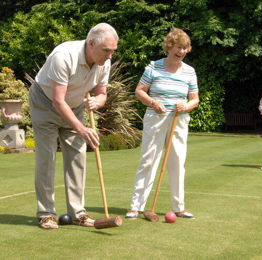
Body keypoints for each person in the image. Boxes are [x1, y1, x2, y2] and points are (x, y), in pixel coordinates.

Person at [29, 23, 119, 229]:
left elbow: (102, 93)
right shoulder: (63, 56)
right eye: (106, 50)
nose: (109, 56)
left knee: (78, 157)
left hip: (75, 105)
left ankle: (78, 212)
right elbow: (58, 101)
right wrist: (82, 128)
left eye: (113, 51)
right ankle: (46, 213)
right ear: (91, 43)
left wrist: (99, 101)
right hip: (45, 102)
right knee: (47, 157)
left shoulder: (104, 63)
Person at [126, 28, 199, 219]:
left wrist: (186, 106)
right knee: (148, 160)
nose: (181, 52)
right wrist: (153, 102)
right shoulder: (153, 67)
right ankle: (136, 206)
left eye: (184, 48)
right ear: (169, 46)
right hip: (156, 118)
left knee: (177, 162)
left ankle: (179, 207)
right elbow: (139, 91)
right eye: (178, 47)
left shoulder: (190, 71)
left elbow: (195, 99)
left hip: (179, 120)